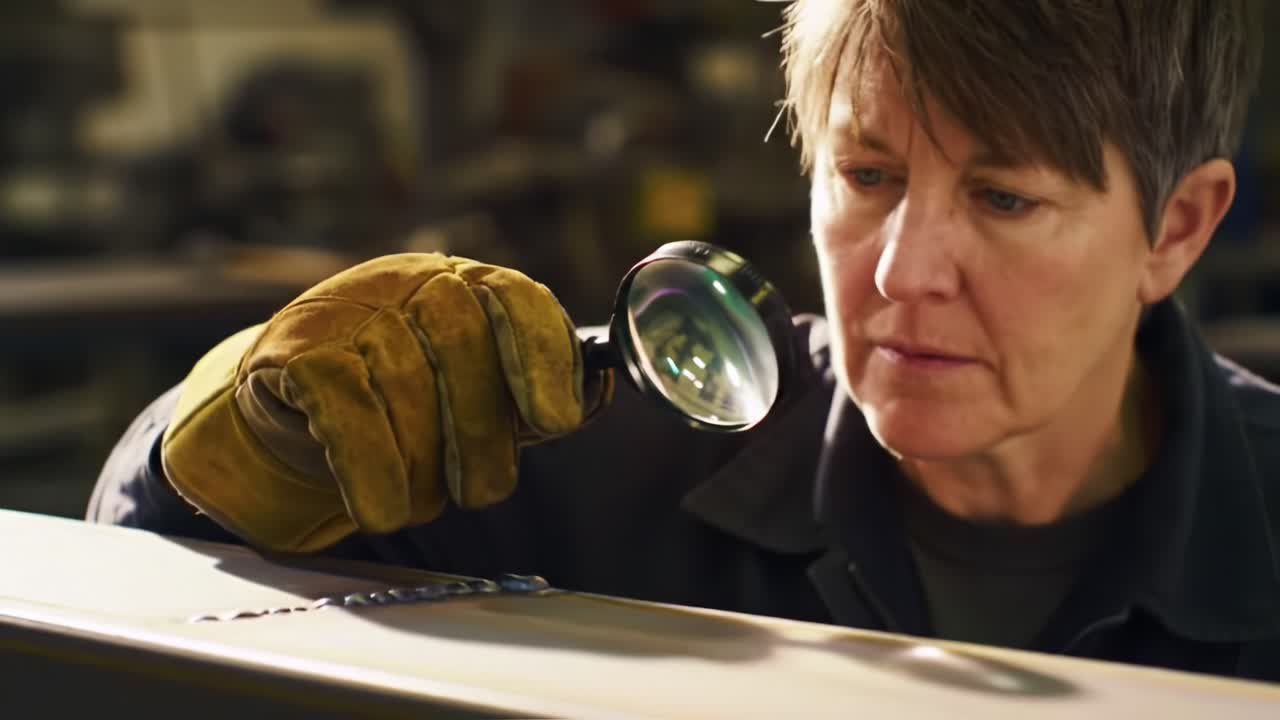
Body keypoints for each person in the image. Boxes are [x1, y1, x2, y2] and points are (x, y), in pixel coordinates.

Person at [89, 0, 1279, 680]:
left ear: (1173, 229)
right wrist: (243, 431)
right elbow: (128, 592)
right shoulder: (614, 447)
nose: (901, 273)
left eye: (1004, 198)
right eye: (866, 174)